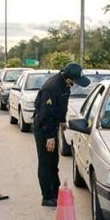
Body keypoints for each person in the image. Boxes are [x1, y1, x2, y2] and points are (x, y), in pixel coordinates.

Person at [34, 63, 90, 207]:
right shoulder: (52, 88)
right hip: (44, 128)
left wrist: (62, 121)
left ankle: (56, 192)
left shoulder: (65, 85)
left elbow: (61, 107)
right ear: (69, 78)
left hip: (52, 125)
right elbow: (46, 115)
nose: (76, 85)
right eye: (75, 81)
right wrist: (50, 137)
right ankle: (47, 197)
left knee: (54, 161)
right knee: (46, 163)